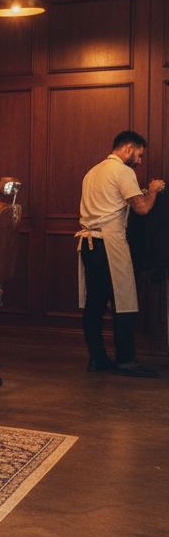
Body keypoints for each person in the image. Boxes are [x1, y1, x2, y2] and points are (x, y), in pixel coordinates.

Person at [77, 131, 165, 377]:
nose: (139, 160)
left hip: (88, 242)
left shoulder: (92, 172)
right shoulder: (124, 172)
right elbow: (143, 208)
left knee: (94, 304)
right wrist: (154, 190)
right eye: (139, 154)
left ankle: (97, 358)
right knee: (124, 302)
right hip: (110, 242)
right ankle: (126, 360)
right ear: (129, 148)